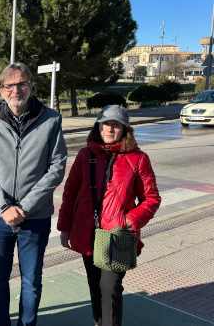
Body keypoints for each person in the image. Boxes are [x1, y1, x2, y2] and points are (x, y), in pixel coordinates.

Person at [0, 62, 67, 326]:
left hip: (34, 216)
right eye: (9, 85)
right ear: (1, 90)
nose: (15, 89)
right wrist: (4, 207)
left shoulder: (51, 119)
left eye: (21, 83)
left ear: (31, 86)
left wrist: (24, 206)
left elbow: (56, 167)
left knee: (32, 281)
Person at [57, 105, 161, 326]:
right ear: (99, 126)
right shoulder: (86, 155)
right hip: (87, 231)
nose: (110, 129)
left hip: (117, 235)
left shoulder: (139, 159)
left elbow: (151, 198)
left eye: (116, 125)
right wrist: (65, 228)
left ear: (125, 129)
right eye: (106, 123)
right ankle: (99, 321)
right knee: (95, 284)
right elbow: (70, 192)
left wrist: (129, 221)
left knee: (110, 287)